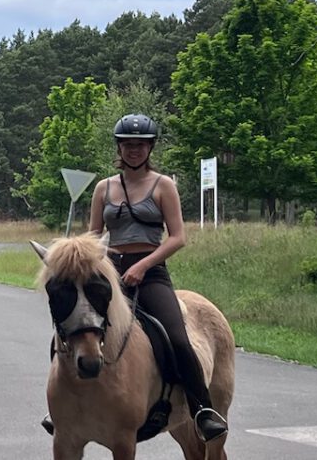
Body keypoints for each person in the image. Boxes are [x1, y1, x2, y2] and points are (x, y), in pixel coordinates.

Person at [44, 115, 225, 443]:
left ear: (150, 147)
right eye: (128, 144)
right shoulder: (104, 188)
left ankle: (201, 409)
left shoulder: (163, 185)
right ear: (119, 147)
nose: (134, 150)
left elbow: (178, 237)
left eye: (140, 145)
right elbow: (94, 237)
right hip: (110, 273)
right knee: (70, 329)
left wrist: (144, 265)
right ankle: (60, 408)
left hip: (151, 273)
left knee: (177, 338)